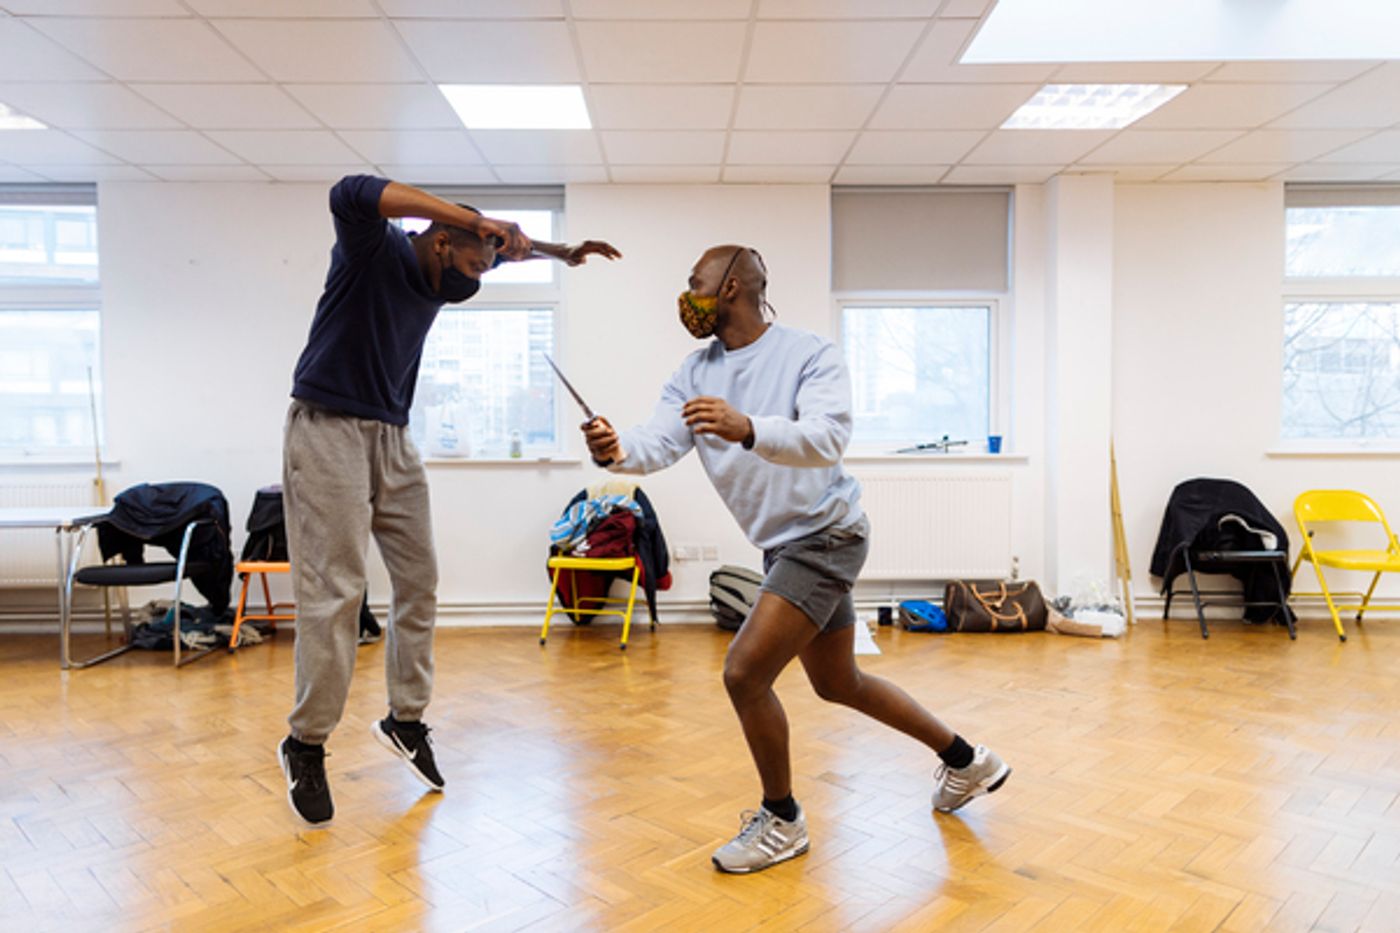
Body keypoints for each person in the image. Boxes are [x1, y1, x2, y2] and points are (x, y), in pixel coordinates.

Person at [582, 245, 1009, 873]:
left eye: (694, 282)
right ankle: (968, 759)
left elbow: (829, 437)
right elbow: (658, 441)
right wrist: (613, 448)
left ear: (732, 287)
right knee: (840, 683)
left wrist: (749, 427)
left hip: (827, 535)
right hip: (786, 542)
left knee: (744, 674)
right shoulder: (694, 371)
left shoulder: (808, 354)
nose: (686, 293)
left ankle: (782, 820)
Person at [279, 174, 620, 826]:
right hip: (326, 426)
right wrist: (476, 217)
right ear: (438, 241)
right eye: (474, 257)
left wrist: (557, 250)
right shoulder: (370, 248)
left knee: (420, 579)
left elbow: (502, 243)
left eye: (489, 262)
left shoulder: (450, 265)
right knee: (338, 590)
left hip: (391, 433)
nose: (482, 271)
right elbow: (349, 191)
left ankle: (405, 719)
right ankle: (306, 741)